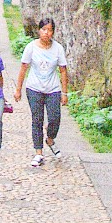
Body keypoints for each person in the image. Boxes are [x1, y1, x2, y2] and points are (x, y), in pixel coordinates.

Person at [13, 17, 69, 167]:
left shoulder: (58, 49)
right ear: (39, 31)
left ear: (53, 32)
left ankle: (50, 139)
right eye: (44, 30)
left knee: (54, 118)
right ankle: (38, 152)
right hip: (34, 88)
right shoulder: (31, 47)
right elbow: (23, 68)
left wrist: (64, 93)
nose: (46, 33)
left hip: (53, 89)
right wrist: (18, 89)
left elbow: (63, 70)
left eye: (49, 30)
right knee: (37, 120)